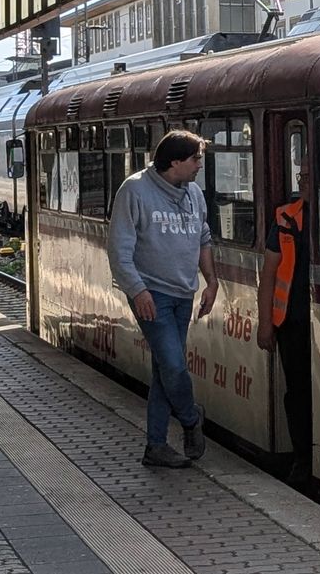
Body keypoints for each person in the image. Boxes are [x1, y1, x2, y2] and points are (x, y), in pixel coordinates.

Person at [108, 130, 217, 468]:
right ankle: (189, 418)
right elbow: (118, 249)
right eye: (196, 159)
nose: (200, 165)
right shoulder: (135, 190)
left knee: (163, 373)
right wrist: (137, 290)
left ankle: (155, 446)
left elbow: (203, 237)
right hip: (152, 293)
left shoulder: (194, 193)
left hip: (184, 292)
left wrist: (211, 281)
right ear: (175, 162)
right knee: (172, 364)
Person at [257, 171, 313, 484]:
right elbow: (269, 273)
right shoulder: (284, 217)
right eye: (302, 175)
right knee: (298, 393)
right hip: (292, 321)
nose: (304, 181)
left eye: (310, 174)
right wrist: (265, 323)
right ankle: (303, 458)